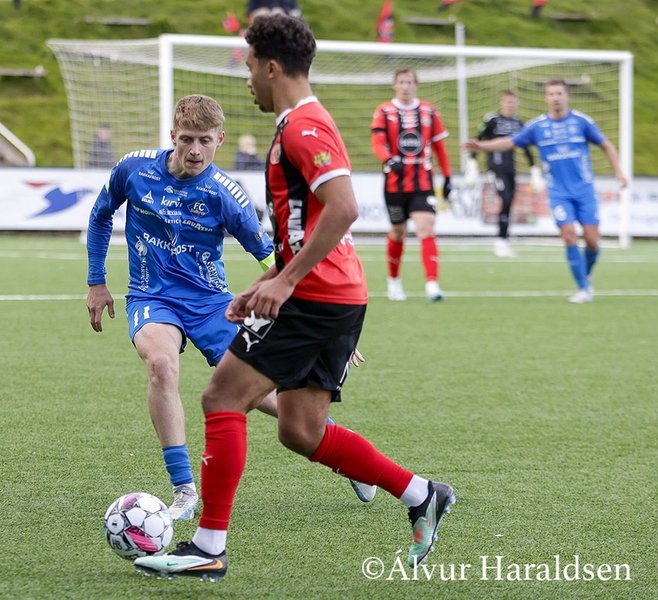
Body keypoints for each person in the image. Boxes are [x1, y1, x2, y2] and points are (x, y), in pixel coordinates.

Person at [134, 15, 455, 581]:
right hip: (334, 294)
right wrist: (270, 280)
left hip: (316, 296)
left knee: (222, 397)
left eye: (249, 68)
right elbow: (306, 224)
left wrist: (285, 282)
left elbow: (344, 208)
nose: (247, 80)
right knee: (300, 430)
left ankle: (208, 547)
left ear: (271, 67)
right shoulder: (300, 122)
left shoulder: (304, 127)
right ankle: (422, 494)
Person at [87, 94, 374, 522]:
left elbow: (273, 257)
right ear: (172, 135)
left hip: (211, 305)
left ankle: (346, 455)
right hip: (151, 296)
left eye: (205, 140)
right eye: (187, 139)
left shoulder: (226, 194)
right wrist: (96, 281)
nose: (195, 150)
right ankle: (184, 491)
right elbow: (100, 215)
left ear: (219, 139)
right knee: (161, 366)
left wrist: (327, 321)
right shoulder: (134, 169)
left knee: (266, 398)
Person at [464, 79, 627, 304]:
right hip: (559, 193)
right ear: (546, 98)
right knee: (569, 236)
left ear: (567, 96)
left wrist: (619, 172)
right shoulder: (538, 126)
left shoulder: (582, 122)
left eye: (559, 93)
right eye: (551, 94)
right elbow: (509, 142)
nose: (555, 98)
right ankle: (583, 289)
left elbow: (606, 145)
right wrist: (482, 146)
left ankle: (585, 273)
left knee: (592, 242)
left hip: (584, 191)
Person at [370, 69, 453, 302]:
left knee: (426, 227)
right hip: (394, 184)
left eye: (409, 82)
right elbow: (377, 143)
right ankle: (394, 281)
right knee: (398, 231)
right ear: (394, 85)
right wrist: (388, 159)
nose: (405, 86)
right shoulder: (384, 111)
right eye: (401, 82)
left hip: (422, 182)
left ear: (416, 85)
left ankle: (432, 285)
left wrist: (448, 176)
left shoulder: (429, 111)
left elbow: (440, 148)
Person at [473, 90, 537, 258]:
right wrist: (472, 163)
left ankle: (503, 240)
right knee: (506, 199)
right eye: (508, 102)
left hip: (510, 169)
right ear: (502, 103)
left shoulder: (518, 123)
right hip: (495, 169)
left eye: (513, 102)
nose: (510, 105)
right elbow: (478, 139)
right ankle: (501, 241)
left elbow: (525, 147)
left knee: (509, 203)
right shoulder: (492, 120)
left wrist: (534, 168)